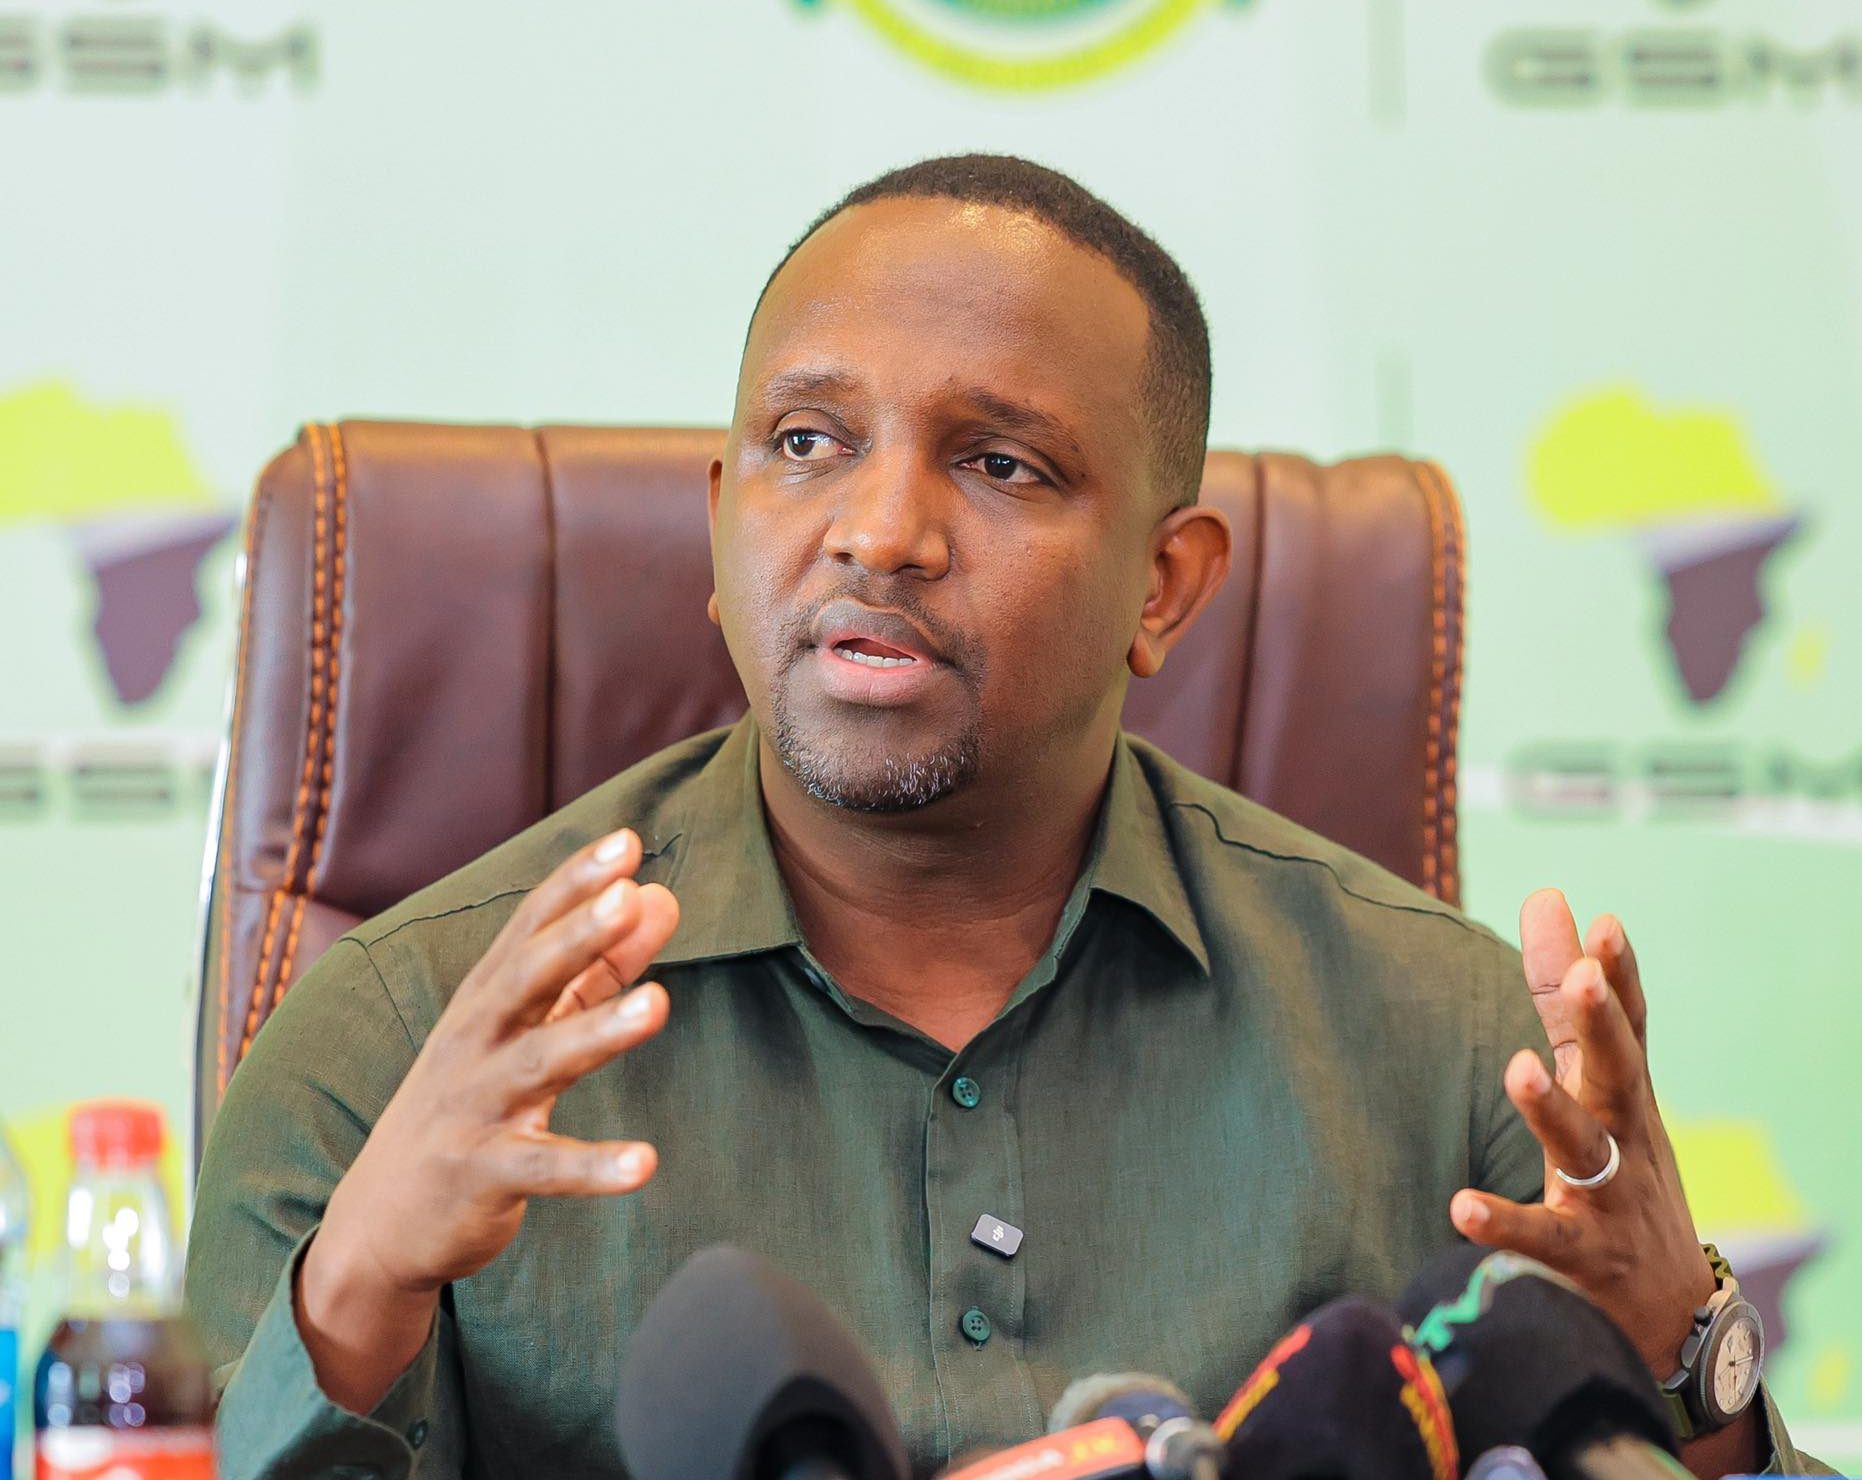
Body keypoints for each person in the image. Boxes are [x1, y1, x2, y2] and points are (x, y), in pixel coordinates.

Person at [187, 155, 1828, 1479]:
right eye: (807, 443)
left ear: (1164, 588)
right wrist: (357, 1295)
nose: (878, 531)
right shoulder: (398, 1046)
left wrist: (1690, 1369)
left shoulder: (1449, 1041)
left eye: (999, 466)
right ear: (720, 527)